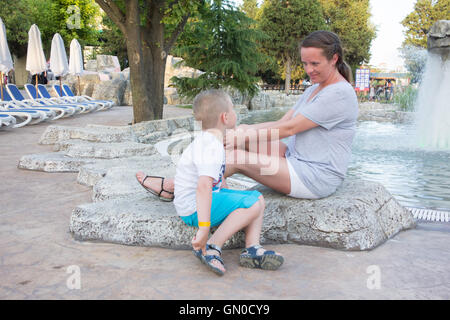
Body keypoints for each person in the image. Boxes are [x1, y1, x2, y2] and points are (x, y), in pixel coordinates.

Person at [137, 30, 357, 206]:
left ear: (334, 59)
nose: (308, 70)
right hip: (295, 157)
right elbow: (281, 122)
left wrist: (243, 137)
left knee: (237, 157)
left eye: (315, 64)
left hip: (315, 176)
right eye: (305, 63)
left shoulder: (339, 94)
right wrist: (243, 132)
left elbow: (290, 129)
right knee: (238, 134)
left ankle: (174, 187)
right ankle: (197, 183)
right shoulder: (314, 89)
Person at [137, 89, 284, 276]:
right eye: (232, 109)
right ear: (225, 117)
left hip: (194, 204)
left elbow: (218, 180)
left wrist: (231, 199)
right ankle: (212, 246)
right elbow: (204, 186)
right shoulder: (211, 147)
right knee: (254, 203)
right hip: (194, 209)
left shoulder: (209, 141)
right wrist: (204, 228)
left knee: (257, 199)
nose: (235, 113)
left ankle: (252, 248)